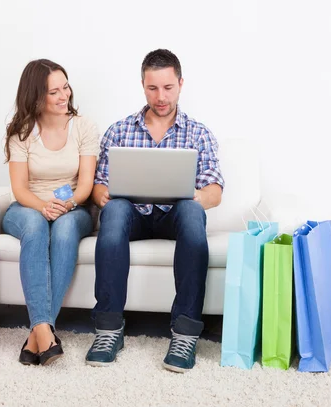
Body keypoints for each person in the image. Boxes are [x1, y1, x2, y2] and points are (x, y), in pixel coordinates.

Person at [85, 49, 225, 373]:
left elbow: (214, 192)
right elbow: (98, 184)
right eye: (152, 88)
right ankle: (108, 329)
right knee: (115, 211)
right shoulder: (119, 130)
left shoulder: (199, 133)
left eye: (168, 88)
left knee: (192, 213)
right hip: (133, 215)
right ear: (142, 85)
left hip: (174, 214)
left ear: (180, 84)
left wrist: (192, 196)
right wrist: (101, 194)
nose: (160, 97)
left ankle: (185, 334)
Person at [2, 59, 100, 366]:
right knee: (34, 227)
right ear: (35, 97)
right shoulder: (21, 132)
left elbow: (86, 184)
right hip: (29, 206)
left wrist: (66, 204)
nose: (63, 96)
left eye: (65, 87)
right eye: (53, 92)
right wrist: (42, 207)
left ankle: (38, 334)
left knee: (66, 228)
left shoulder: (84, 126)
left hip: (74, 207)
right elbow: (19, 189)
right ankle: (44, 332)